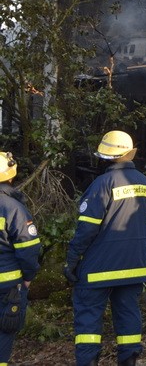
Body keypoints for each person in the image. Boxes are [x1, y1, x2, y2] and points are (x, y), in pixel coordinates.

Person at [64, 131, 146, 366]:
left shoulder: (101, 185)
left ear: (105, 157)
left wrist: (72, 260)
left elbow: (86, 230)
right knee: (128, 315)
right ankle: (129, 361)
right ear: (129, 153)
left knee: (88, 320)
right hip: (134, 267)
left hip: (98, 269)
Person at [0, 152, 41, 365]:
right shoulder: (13, 207)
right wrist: (29, 276)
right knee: (5, 331)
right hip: (7, 285)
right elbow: (28, 248)